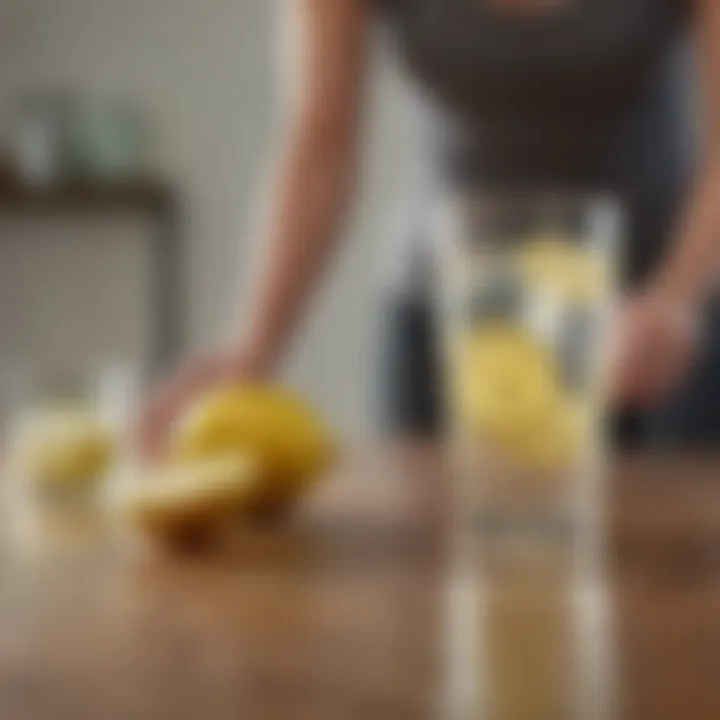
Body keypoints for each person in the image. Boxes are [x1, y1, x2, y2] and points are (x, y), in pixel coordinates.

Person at [138, 0, 720, 456]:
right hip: (448, 319)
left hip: (647, 316)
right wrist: (253, 346)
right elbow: (320, 138)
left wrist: (676, 297)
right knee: (434, 587)